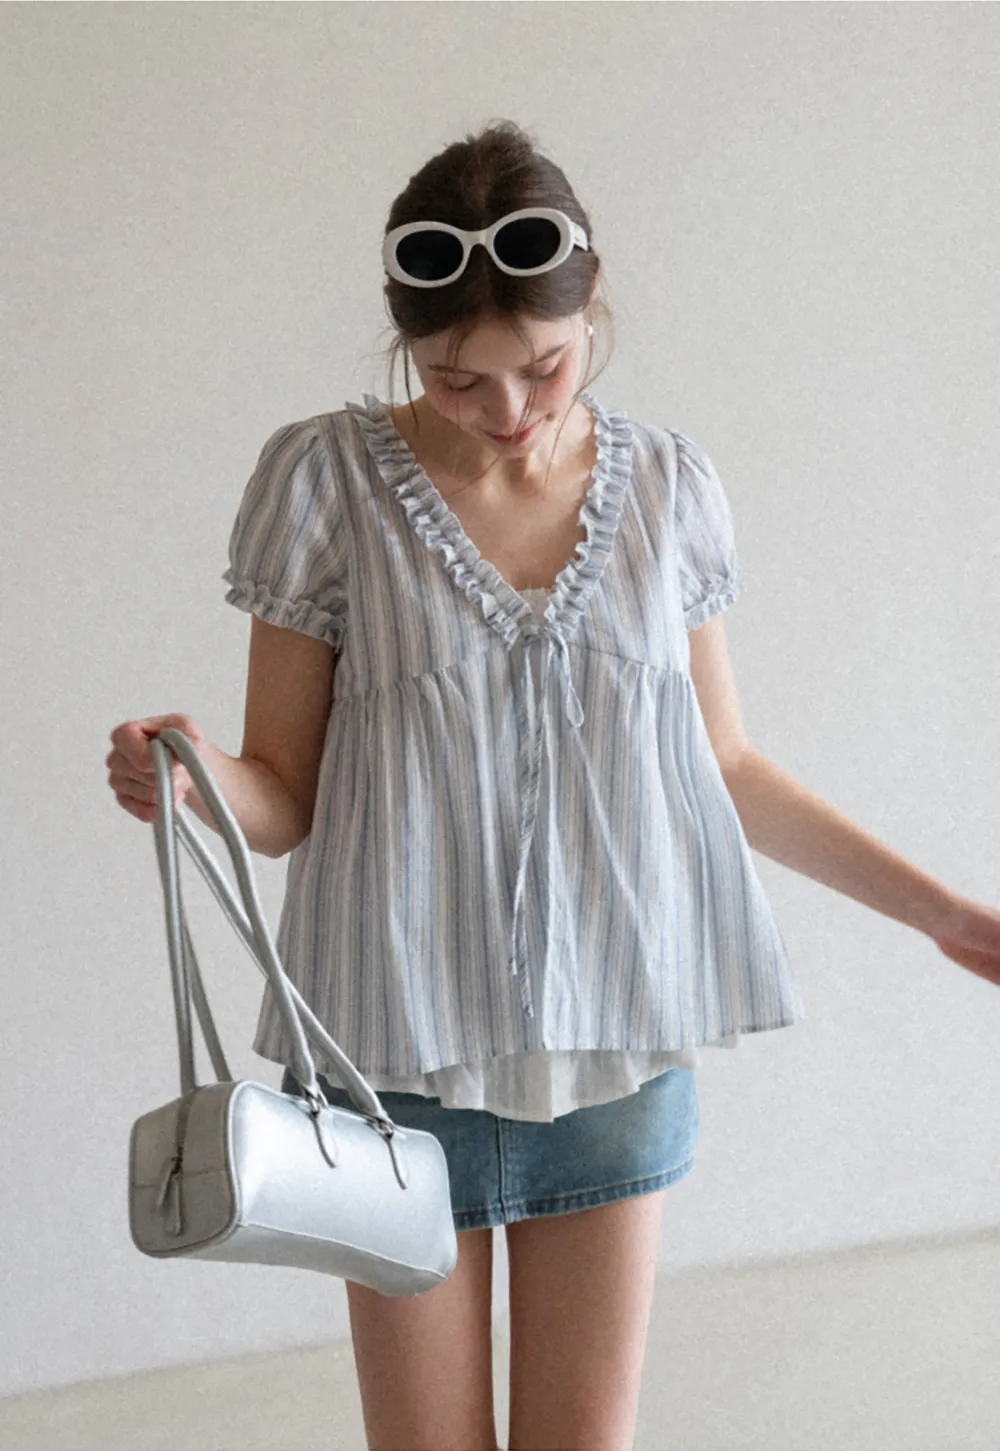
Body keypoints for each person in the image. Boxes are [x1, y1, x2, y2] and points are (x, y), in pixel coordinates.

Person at [105, 120, 1000, 1451]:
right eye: (458, 378)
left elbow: (725, 765)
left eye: (544, 366)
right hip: (390, 1065)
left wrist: (943, 913)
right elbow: (285, 795)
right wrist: (194, 785)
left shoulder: (667, 491)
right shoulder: (325, 484)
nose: (510, 409)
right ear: (408, 345)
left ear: (592, 312)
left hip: (612, 1053)